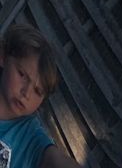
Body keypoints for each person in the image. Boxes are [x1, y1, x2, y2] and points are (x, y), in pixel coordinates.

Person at [0, 25, 79, 167]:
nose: (26, 93)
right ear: (3, 57)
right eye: (22, 75)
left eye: (38, 91)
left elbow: (54, 160)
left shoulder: (31, 138)